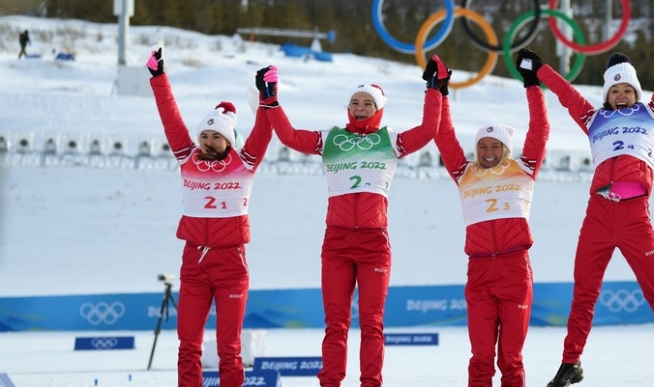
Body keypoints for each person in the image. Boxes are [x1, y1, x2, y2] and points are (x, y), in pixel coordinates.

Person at [516, 14, 654, 386]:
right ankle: (571, 362)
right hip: (598, 214)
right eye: (615, 90)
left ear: (636, 93)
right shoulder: (593, 119)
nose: (621, 95)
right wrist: (540, 69)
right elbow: (567, 95)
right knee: (585, 293)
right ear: (606, 94)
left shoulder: (652, 112)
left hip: (634, 215)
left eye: (627, 90)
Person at [258, 59, 445, 387]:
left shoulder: (390, 140)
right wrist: (271, 100)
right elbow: (288, 136)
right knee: (336, 324)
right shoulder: (331, 138)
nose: (359, 108)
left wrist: (435, 90)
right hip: (337, 242)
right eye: (355, 103)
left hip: (375, 242)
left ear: (379, 108)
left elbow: (429, 131)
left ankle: (370, 383)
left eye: (367, 103)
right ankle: (330, 382)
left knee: (372, 324)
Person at [146, 48, 274, 387]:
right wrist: (159, 78)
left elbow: (265, 131)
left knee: (229, 348)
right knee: (188, 345)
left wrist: (267, 97)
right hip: (194, 262)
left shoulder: (245, 162)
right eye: (204, 135)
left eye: (215, 136)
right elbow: (170, 116)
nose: (207, 140)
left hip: (231, 264)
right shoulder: (187, 157)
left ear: (228, 140)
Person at [433, 54, 550, 387]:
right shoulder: (464, 172)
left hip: (515, 269)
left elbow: (541, 130)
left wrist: (533, 85)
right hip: (480, 271)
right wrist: (440, 93)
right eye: (481, 146)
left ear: (506, 148)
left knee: (511, 359)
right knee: (481, 358)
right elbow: (443, 135)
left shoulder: (524, 168)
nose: (486, 151)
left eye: (494, 146)